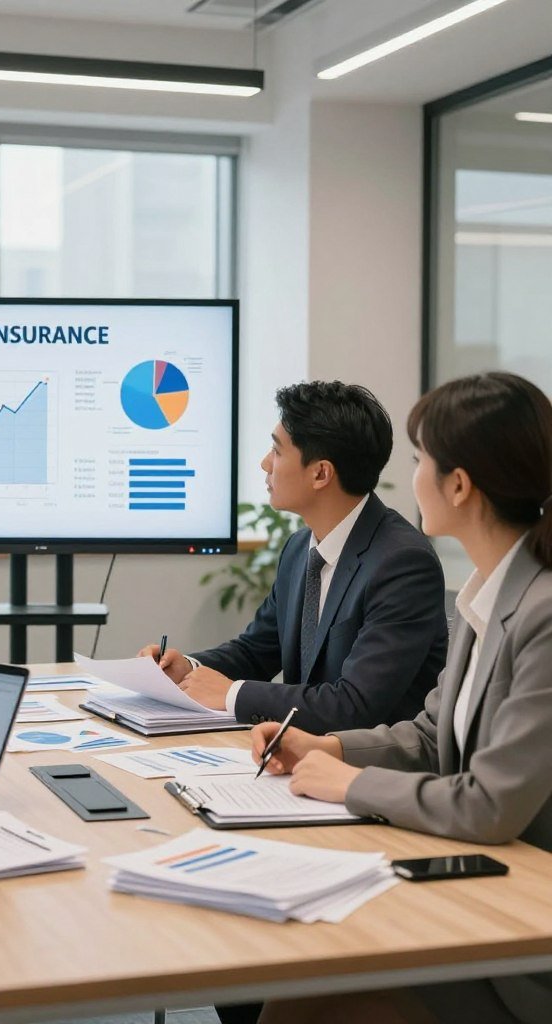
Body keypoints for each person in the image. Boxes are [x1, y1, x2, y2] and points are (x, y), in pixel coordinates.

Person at [254, 372, 552, 1024]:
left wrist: (348, 783)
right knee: (297, 978)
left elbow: (491, 803)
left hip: (524, 939)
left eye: (420, 460)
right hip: (484, 889)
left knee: (311, 990)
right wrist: (325, 746)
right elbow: (428, 733)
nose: (410, 478)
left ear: (458, 485)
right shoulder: (487, 592)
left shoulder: (543, 612)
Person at [139, 380, 447, 734]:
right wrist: (188, 668)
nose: (264, 464)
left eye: (277, 451)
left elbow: (354, 706)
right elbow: (256, 651)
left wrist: (231, 694)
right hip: (299, 753)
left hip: (364, 762)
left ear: (320, 473)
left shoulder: (403, 564)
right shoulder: (300, 548)